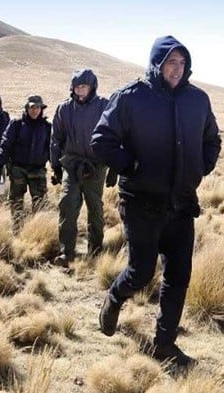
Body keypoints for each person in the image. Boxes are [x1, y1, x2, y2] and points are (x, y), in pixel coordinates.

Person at [91, 35, 221, 367]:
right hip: (141, 203)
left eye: (182, 63)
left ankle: (164, 344)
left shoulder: (198, 100)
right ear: (156, 64)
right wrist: (130, 165)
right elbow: (102, 140)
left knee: (179, 276)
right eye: (170, 63)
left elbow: (211, 139)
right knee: (141, 271)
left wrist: (201, 167)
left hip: (181, 204)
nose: (176, 70)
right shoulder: (132, 98)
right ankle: (115, 297)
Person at [50, 69, 109, 267]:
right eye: (77, 87)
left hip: (96, 166)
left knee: (95, 208)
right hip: (72, 165)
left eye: (84, 86)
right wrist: (56, 166)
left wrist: (115, 168)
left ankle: (96, 249)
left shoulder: (104, 106)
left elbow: (117, 136)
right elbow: (56, 139)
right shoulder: (64, 109)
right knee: (67, 204)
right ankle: (67, 252)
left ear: (92, 87)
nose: (80, 91)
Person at [0, 95, 51, 225]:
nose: (35, 110)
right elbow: (5, 146)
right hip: (18, 169)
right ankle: (17, 230)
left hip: (38, 171)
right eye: (32, 107)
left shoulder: (47, 127)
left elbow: (52, 149)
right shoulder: (16, 124)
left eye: (38, 107)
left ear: (41, 109)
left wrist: (57, 168)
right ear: (26, 108)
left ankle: (38, 232)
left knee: (40, 203)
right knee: (16, 202)